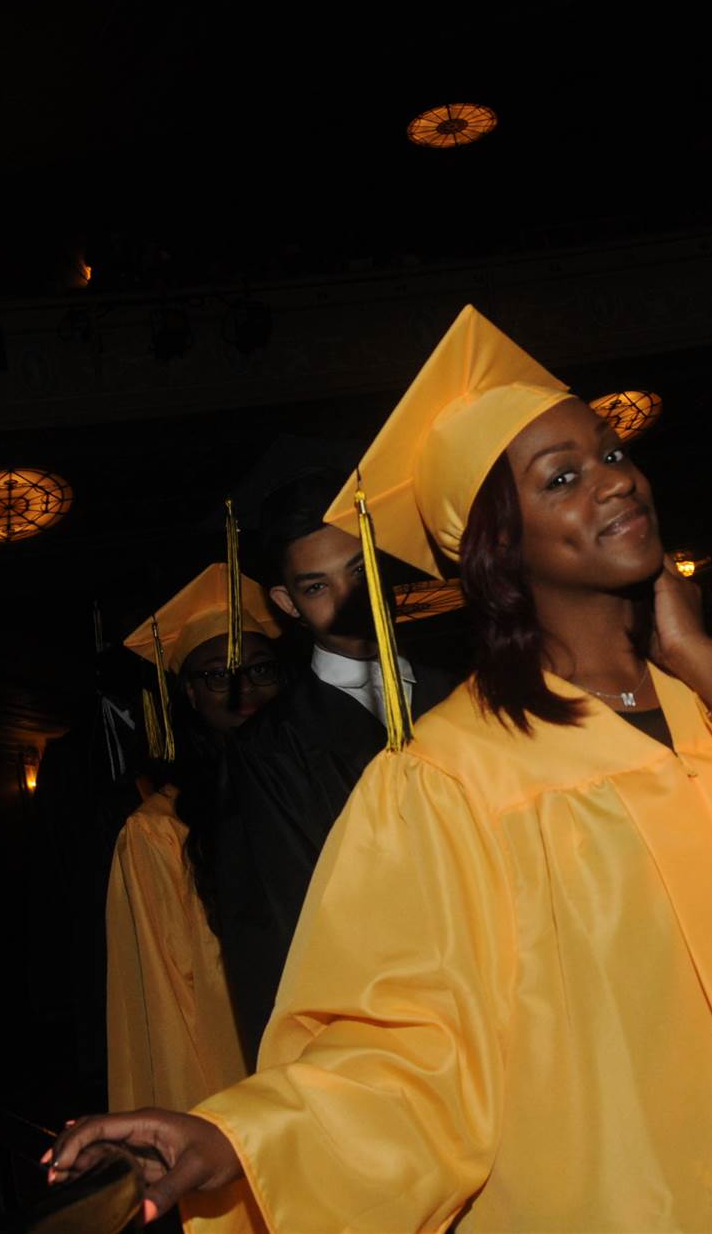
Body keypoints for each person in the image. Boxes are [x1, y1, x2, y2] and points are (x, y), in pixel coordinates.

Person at [48, 305, 712, 1232]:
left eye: (612, 454)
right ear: (495, 543)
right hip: (657, 1194)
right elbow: (413, 1051)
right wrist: (239, 1135)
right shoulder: (453, 775)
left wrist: (707, 663)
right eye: (562, 477)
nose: (614, 482)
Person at [208, 437, 459, 1064]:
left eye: (358, 570)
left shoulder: (465, 694)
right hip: (388, 1022)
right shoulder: (271, 749)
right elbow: (298, 916)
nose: (347, 599)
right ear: (289, 604)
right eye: (317, 587)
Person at [104, 564, 284, 1113]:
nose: (242, 688)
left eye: (260, 667)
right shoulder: (158, 833)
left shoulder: (319, 790)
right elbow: (166, 1002)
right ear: (187, 692)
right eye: (216, 674)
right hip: (242, 1084)